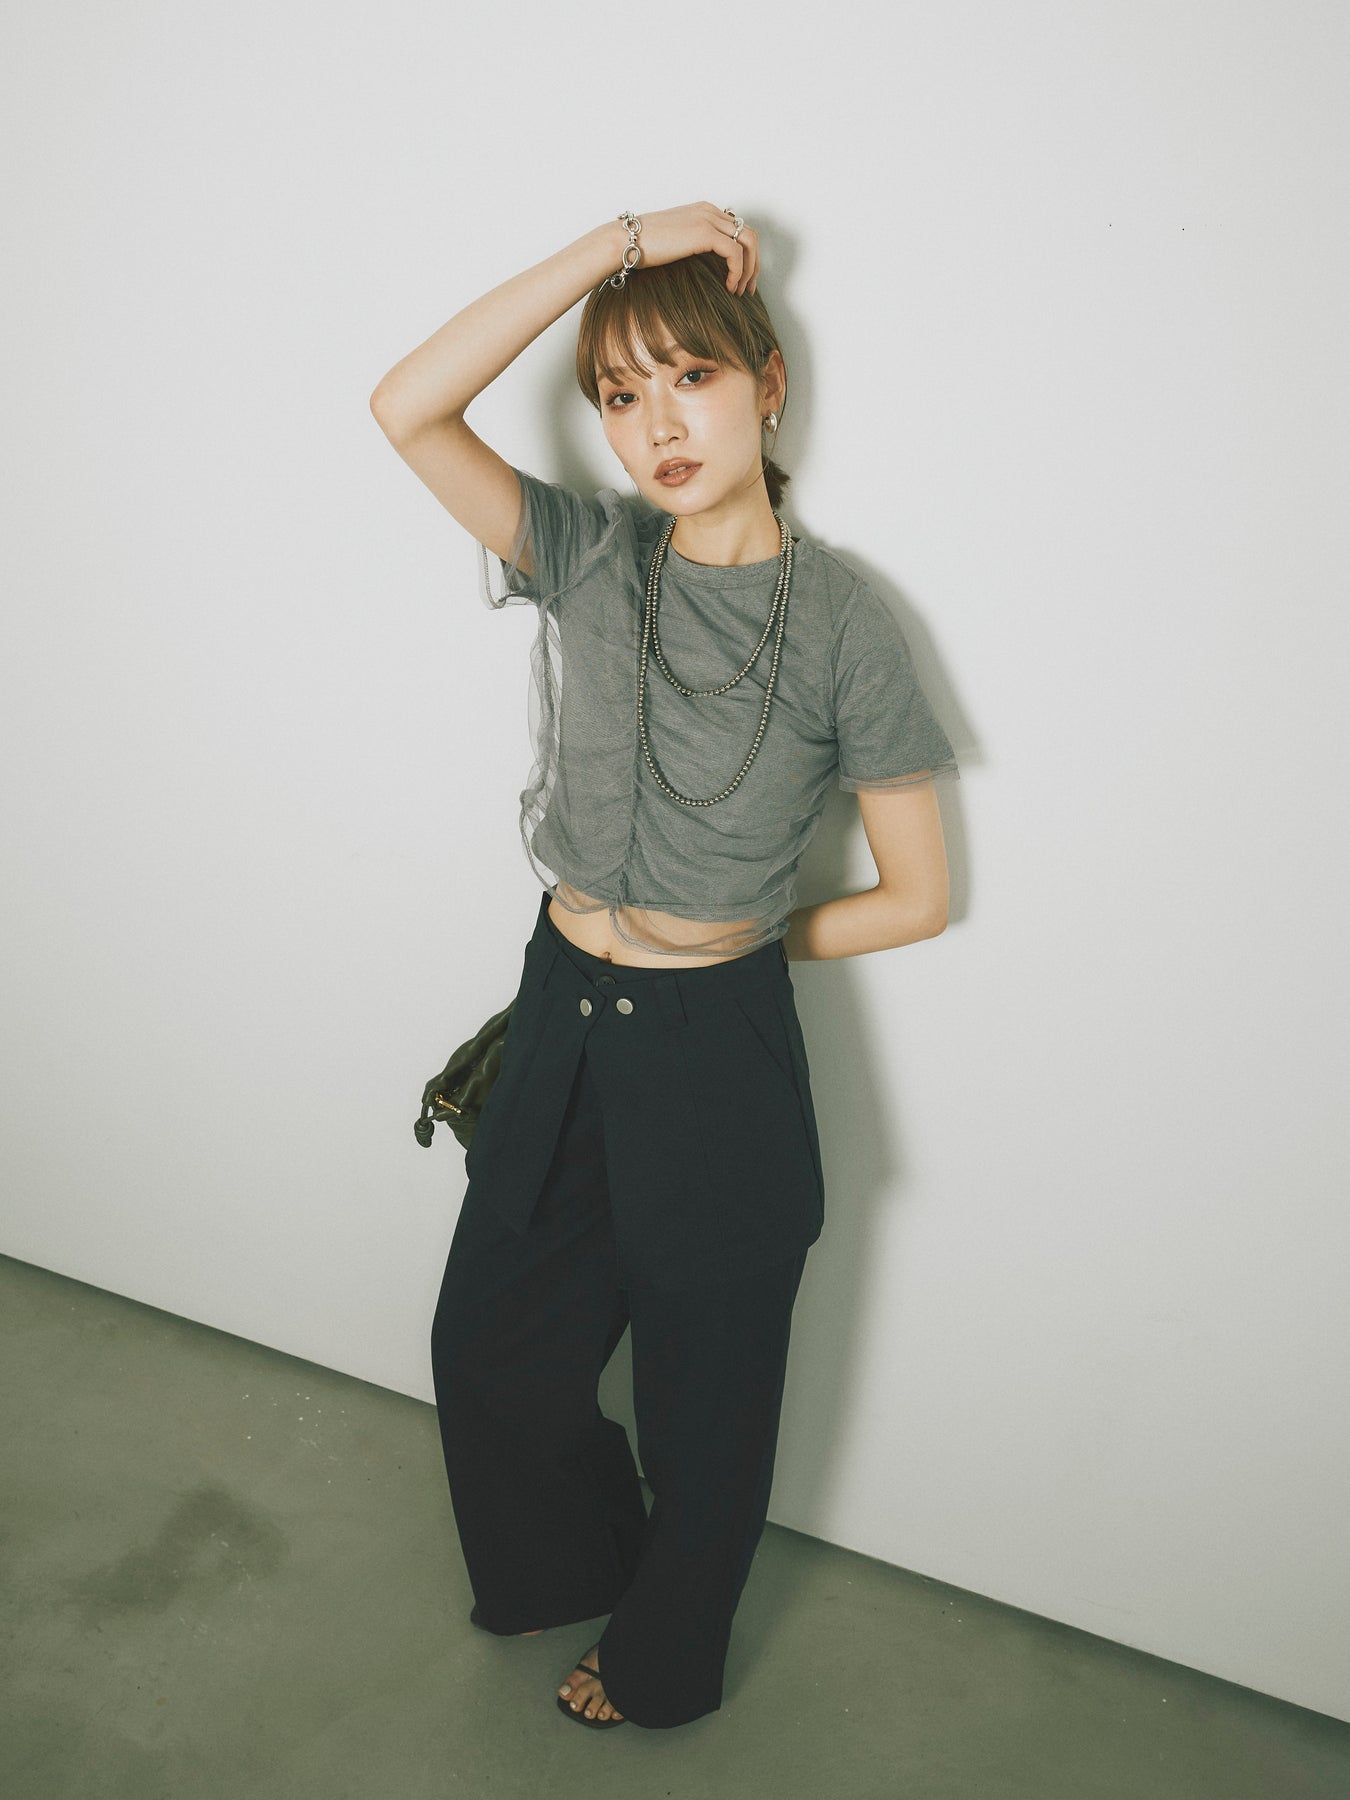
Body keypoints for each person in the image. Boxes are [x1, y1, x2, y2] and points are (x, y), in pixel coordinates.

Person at [370, 203, 959, 1731]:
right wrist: (612, 245)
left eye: (690, 377)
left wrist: (743, 935)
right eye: (619, 395)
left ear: (768, 385)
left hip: (717, 1043)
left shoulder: (844, 625)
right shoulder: (587, 553)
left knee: (707, 1413)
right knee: (490, 1350)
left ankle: (659, 1663)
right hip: (562, 1012)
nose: (656, 425)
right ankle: (570, 1565)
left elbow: (917, 895)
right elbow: (406, 406)